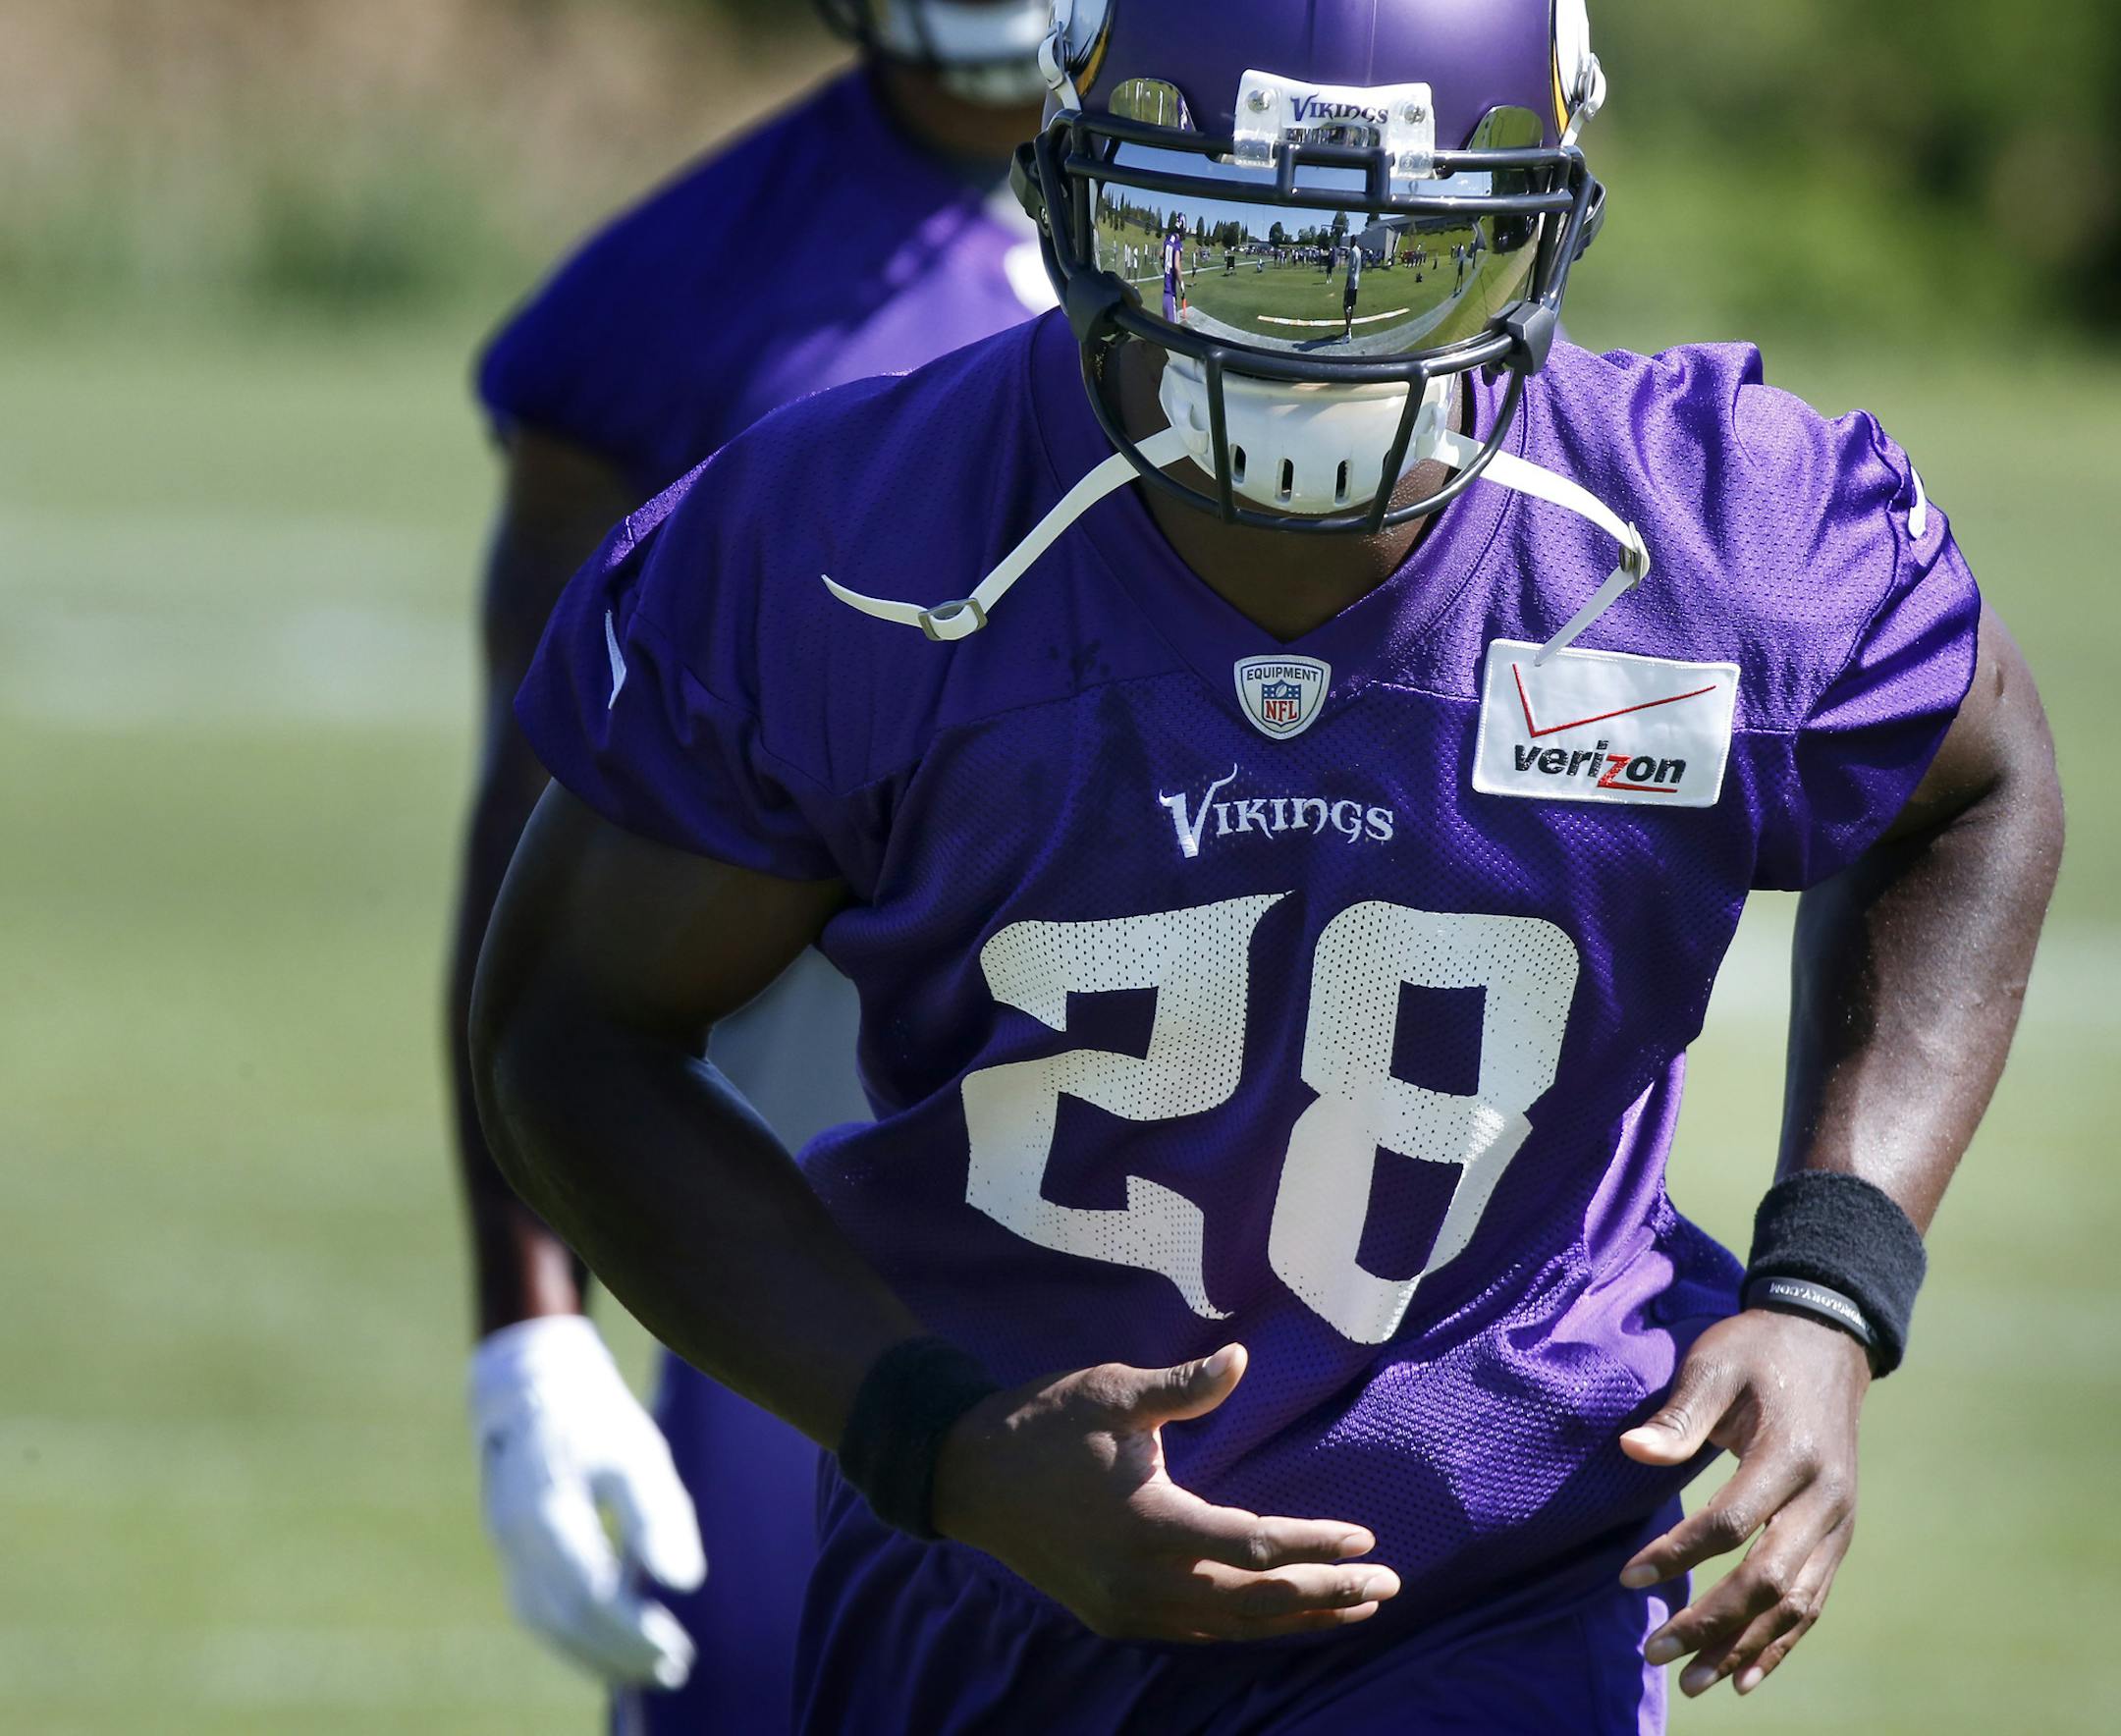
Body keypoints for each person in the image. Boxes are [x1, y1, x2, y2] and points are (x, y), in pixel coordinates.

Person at [472, 1, 2063, 1729]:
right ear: (1070, 195)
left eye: (1404, 257)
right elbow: (570, 1029)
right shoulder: (857, 546)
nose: (1306, 350)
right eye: (1221, 241)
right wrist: (939, 1437)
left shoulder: (1705, 543)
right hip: (991, 1578)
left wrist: (1835, 1283)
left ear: (1544, 220)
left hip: (1500, 1571)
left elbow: (1973, 788)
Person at [446, 1, 1055, 1729]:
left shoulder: (1298, 208)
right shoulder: (669, 308)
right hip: (832, 1207)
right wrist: (531, 1332)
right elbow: (539, 887)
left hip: (1267, 1198)